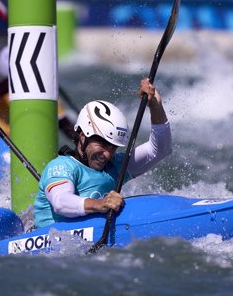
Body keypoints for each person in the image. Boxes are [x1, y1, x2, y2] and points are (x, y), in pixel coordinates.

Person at [33, 78, 172, 228]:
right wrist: (100, 204)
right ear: (82, 136)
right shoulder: (61, 167)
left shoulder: (115, 166)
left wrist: (154, 103)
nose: (107, 155)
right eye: (102, 145)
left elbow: (159, 149)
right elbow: (60, 202)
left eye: (113, 147)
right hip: (49, 240)